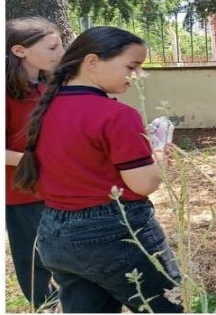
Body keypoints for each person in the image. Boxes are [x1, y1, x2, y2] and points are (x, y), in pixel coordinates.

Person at [13, 26, 183, 313]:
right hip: (115, 231)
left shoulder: (45, 109)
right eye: (132, 66)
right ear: (92, 62)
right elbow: (143, 184)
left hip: (54, 231)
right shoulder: (118, 116)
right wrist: (158, 158)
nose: (137, 75)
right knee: (166, 306)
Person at [6, 17, 63, 310]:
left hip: (56, 188)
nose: (60, 52)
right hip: (22, 192)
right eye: (52, 47)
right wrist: (35, 161)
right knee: (34, 262)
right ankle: (45, 307)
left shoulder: (45, 86)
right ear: (19, 51)